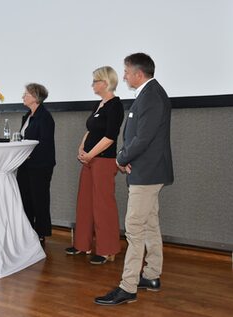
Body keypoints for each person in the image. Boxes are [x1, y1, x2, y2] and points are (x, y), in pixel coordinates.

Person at [95, 53, 174, 305]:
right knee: (149, 224)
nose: (125, 76)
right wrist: (128, 156)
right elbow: (141, 136)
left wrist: (121, 157)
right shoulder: (150, 93)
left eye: (127, 71)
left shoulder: (151, 95)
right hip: (146, 169)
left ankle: (127, 287)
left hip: (146, 173)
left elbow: (143, 137)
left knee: (134, 229)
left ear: (138, 73)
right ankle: (151, 275)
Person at [65, 66, 124, 265]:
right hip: (90, 160)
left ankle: (107, 249)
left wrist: (90, 154)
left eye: (95, 81)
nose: (92, 85)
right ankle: (83, 244)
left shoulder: (115, 105)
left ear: (105, 83)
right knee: (85, 202)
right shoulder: (98, 105)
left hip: (104, 161)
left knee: (103, 205)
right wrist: (82, 149)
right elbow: (90, 130)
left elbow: (109, 137)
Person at [17, 83, 55, 246]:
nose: (23, 97)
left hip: (40, 165)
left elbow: (45, 143)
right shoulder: (27, 116)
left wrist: (29, 155)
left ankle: (40, 234)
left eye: (26, 94)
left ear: (35, 97)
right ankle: (27, 231)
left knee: (39, 199)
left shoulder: (45, 117)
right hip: (25, 165)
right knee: (25, 198)